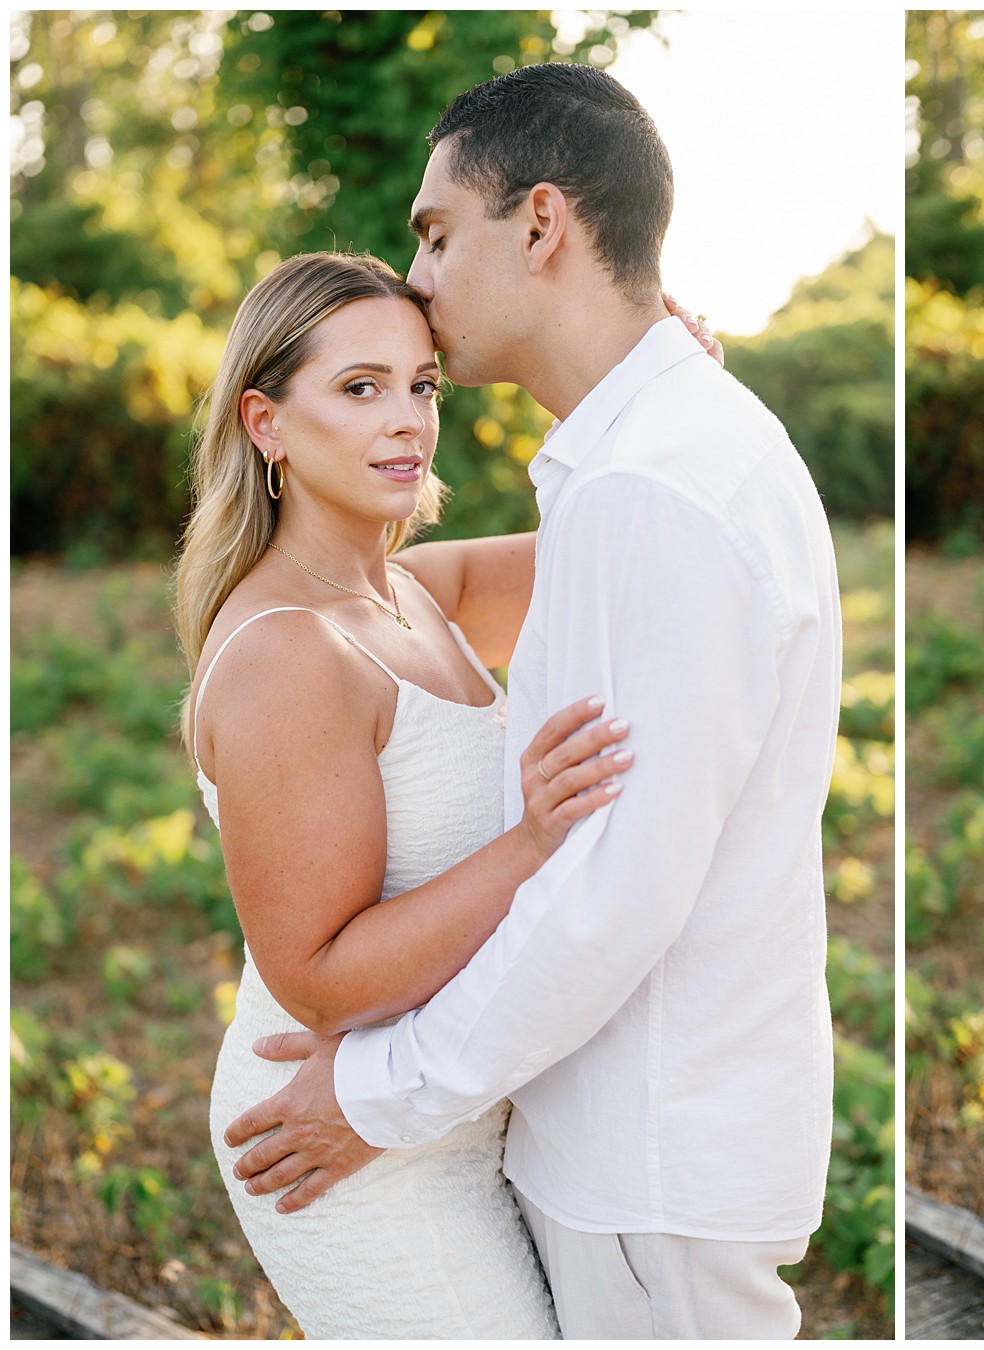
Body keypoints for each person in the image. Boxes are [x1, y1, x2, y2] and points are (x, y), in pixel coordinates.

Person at [221, 63, 841, 1340]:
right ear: (266, 425)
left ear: (543, 222)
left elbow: (615, 894)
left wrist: (386, 1093)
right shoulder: (643, 469)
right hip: (520, 1118)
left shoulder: (644, 487)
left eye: (438, 233)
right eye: (362, 386)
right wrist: (651, 382)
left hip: (638, 1134)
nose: (426, 284)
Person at [177, 249, 637, 1336]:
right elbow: (322, 982)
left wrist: (652, 385)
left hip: (449, 1105)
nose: (407, 419)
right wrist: (531, 843)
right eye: (359, 388)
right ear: (267, 423)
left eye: (421, 384)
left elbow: (620, 539)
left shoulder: (409, 591)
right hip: (332, 1143)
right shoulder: (287, 653)